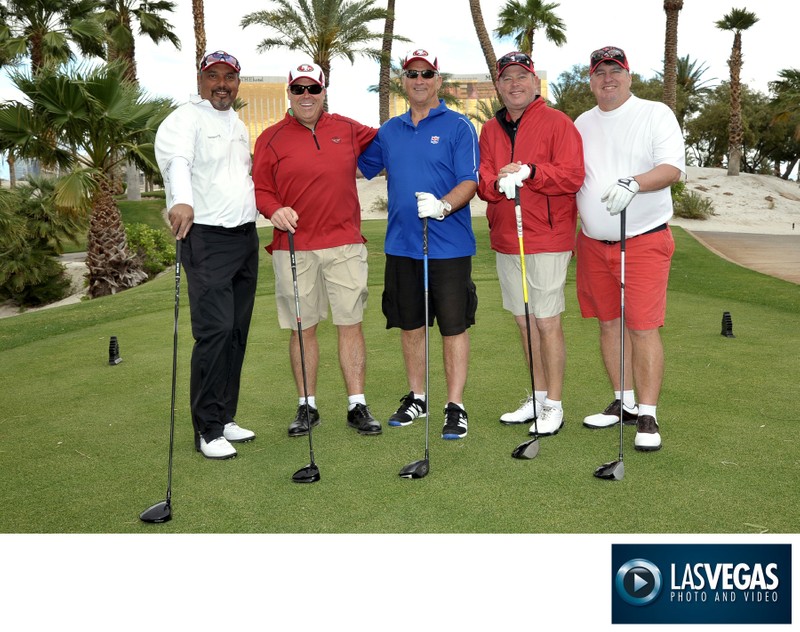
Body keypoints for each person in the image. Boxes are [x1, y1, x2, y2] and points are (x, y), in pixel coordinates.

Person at [252, 63, 381, 438]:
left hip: (344, 243)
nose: (306, 95)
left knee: (350, 324)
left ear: (324, 91)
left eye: (313, 88)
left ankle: (357, 404)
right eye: (298, 89)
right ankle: (307, 406)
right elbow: (260, 189)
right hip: (294, 247)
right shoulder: (270, 138)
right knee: (302, 327)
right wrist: (274, 209)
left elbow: (389, 144)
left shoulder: (346, 128)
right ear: (289, 93)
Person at [358, 48, 479, 440]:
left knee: (453, 327)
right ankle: (418, 396)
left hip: (449, 247)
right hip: (403, 245)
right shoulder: (390, 131)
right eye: (413, 74)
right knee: (411, 326)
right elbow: (357, 163)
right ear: (403, 82)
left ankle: (455, 405)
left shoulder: (459, 127)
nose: (420, 80)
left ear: (438, 81)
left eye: (427, 74)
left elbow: (470, 181)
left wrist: (443, 205)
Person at [574, 46, 685, 451]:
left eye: (615, 71)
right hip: (592, 242)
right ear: (590, 79)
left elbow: (672, 168)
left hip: (642, 240)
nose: (608, 79)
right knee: (608, 323)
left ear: (629, 76)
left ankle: (648, 413)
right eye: (600, 72)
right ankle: (623, 402)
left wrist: (634, 182)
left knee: (642, 327)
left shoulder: (655, 113)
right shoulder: (581, 122)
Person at [155, 50, 259, 460]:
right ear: (200, 81)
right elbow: (177, 161)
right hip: (207, 239)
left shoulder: (237, 124)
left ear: (237, 82)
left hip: (243, 239)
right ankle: (207, 429)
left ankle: (224, 416)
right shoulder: (186, 119)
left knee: (236, 331)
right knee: (214, 331)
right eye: (213, 76)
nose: (221, 84)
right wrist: (180, 201)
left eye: (229, 77)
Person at [477, 51, 584, 437]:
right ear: (499, 86)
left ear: (534, 82)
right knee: (524, 322)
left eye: (522, 76)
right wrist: (496, 184)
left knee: (546, 320)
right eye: (507, 78)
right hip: (508, 237)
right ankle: (538, 398)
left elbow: (572, 176)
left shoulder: (558, 123)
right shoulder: (490, 129)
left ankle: (554, 404)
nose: (514, 84)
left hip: (547, 237)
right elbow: (484, 179)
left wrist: (531, 172)